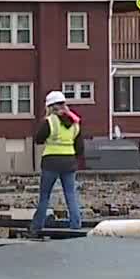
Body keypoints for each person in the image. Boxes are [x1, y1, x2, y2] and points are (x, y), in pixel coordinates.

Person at [30, 90, 83, 237]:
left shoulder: (50, 121)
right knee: (71, 195)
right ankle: (76, 225)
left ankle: (37, 226)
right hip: (69, 162)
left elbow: (38, 139)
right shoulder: (74, 122)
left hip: (51, 162)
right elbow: (80, 147)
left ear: (49, 106)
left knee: (45, 195)